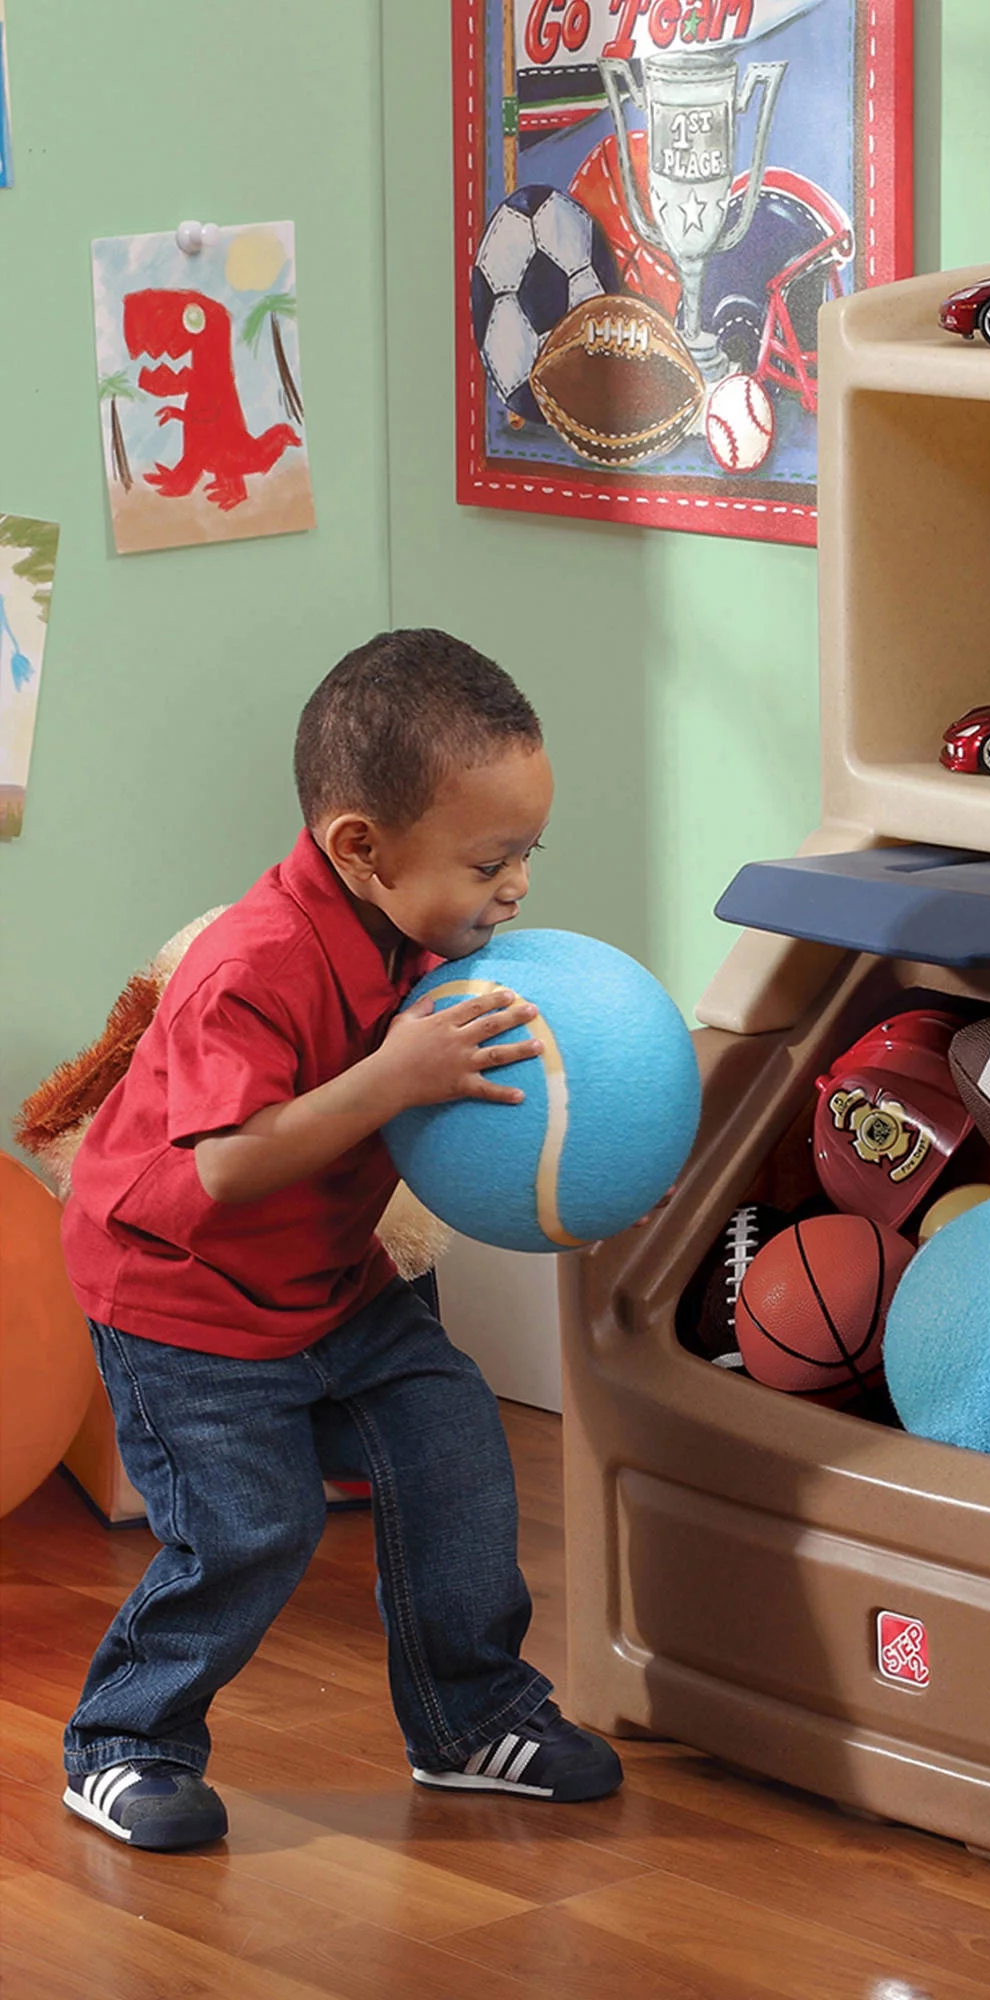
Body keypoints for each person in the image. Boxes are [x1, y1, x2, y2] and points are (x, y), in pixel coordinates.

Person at [58, 628, 621, 1851]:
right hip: (184, 1299)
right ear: (360, 846)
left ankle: (471, 1717)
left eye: (528, 852)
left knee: (456, 1450)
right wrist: (392, 1076)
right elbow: (226, 1164)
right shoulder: (253, 962)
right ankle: (125, 1740)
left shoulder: (424, 935)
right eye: (490, 860)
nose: (517, 887)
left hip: (331, 1279)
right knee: (250, 1526)